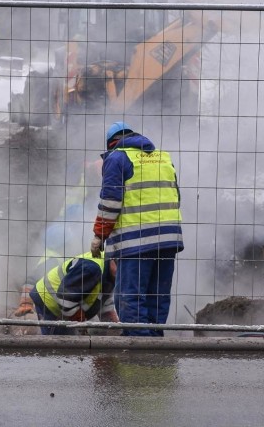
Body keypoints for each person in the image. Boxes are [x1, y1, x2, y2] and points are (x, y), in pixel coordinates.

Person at [90, 122, 183, 336]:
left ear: (112, 143)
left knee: (129, 297)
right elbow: (176, 195)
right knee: (157, 296)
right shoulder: (163, 157)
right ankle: (155, 348)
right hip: (169, 238)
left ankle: (138, 354)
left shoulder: (117, 157)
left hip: (136, 241)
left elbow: (110, 202)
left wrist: (99, 235)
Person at [29, 252, 119, 335]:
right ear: (112, 260)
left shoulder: (112, 273)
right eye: (120, 269)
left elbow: (105, 305)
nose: (122, 275)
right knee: (59, 344)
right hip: (49, 299)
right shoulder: (91, 268)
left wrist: (116, 329)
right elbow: (65, 298)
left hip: (66, 302)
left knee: (71, 340)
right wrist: (81, 325)